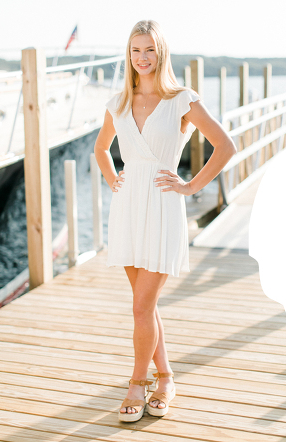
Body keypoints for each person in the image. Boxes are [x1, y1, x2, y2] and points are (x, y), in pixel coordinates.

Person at [93, 20, 236, 422]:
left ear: (161, 53)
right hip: (127, 208)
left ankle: (138, 382)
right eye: (136, 50)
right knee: (146, 306)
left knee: (142, 306)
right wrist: (113, 179)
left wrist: (191, 187)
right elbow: (102, 148)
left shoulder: (181, 100)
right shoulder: (118, 102)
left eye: (149, 50)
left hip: (162, 205)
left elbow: (225, 145)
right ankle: (167, 377)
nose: (142, 58)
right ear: (129, 54)